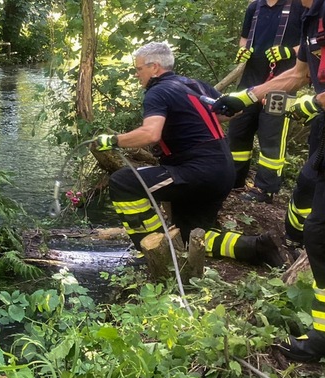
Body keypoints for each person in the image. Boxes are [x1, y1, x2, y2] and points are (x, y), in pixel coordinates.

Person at [92, 42, 285, 269]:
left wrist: (113, 140)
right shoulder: (194, 84)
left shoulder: (157, 91)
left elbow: (151, 134)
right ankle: (255, 247)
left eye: (139, 69)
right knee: (188, 236)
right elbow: (233, 111)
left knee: (123, 182)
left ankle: (154, 249)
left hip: (197, 170)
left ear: (154, 67)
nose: (137, 75)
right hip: (222, 170)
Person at [211, 0, 325, 363]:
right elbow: (298, 73)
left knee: (320, 233)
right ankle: (321, 335)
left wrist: (314, 103)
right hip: (319, 128)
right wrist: (245, 96)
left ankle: (321, 339)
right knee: (318, 230)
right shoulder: (311, 17)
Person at [228, 0, 304, 204]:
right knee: (238, 130)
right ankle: (234, 180)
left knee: (272, 136)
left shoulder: (299, 6)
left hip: (283, 84)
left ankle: (265, 189)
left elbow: (310, 41)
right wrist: (244, 49)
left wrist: (290, 51)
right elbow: (244, 38)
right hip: (250, 82)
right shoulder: (255, 7)